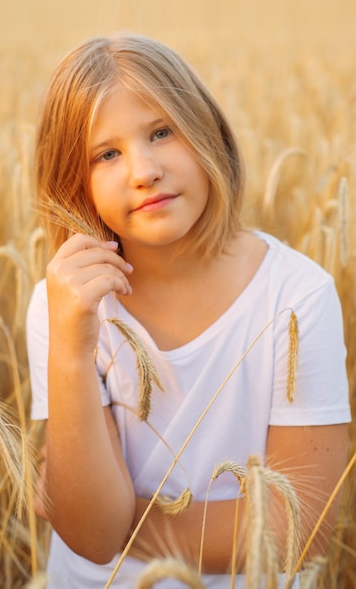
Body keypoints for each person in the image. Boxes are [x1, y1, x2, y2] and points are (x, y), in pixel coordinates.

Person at [26, 33, 351, 589]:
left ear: (208, 133)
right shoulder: (67, 307)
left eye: (161, 132)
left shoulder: (297, 298)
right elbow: (86, 535)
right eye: (107, 154)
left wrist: (121, 520)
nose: (144, 169)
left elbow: (295, 529)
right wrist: (72, 350)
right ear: (74, 185)